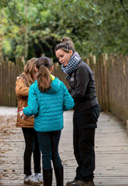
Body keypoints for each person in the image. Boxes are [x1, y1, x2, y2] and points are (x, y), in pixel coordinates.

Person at [55, 37, 100, 186]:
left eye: (62, 56)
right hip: (80, 110)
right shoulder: (72, 69)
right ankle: (80, 176)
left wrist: (62, 101)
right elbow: (73, 90)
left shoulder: (81, 67)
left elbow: (79, 93)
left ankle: (87, 179)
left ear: (70, 52)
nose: (60, 60)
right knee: (77, 145)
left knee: (85, 145)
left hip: (88, 109)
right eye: (58, 58)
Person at [22, 57, 74, 186]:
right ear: (51, 68)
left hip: (42, 126)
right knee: (55, 152)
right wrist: (56, 108)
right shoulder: (60, 84)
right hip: (56, 124)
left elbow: (33, 109)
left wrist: (25, 111)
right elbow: (69, 104)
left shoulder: (34, 87)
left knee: (46, 155)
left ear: (36, 69)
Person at [15, 58, 43, 185]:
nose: (37, 73)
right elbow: (20, 91)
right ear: (31, 69)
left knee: (38, 147)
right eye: (36, 71)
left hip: (38, 118)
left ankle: (38, 172)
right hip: (26, 119)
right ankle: (27, 174)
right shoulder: (21, 79)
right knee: (29, 146)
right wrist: (35, 90)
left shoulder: (39, 79)